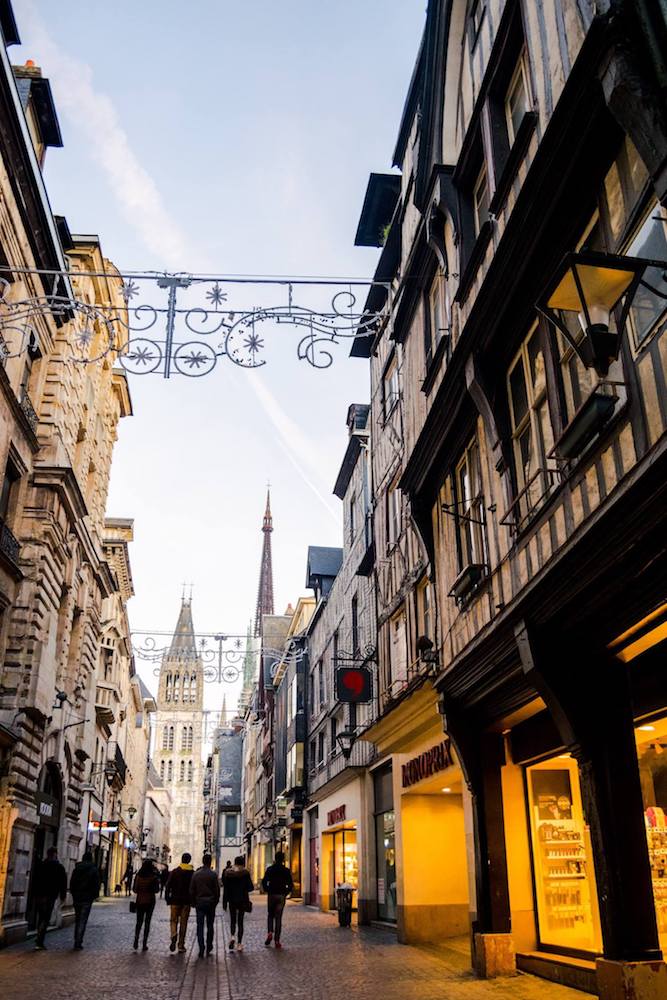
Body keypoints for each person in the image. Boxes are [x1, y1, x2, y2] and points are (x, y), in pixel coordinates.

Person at [32, 846, 67, 949]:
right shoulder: (59, 867)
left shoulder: (41, 865)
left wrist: (34, 894)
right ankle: (39, 941)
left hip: (40, 895)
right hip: (51, 896)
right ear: (55, 854)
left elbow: (35, 879)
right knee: (45, 918)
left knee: (41, 917)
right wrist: (63, 896)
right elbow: (63, 883)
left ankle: (39, 937)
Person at [190, 853, 220, 958]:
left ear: (203, 861)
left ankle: (201, 947)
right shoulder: (213, 875)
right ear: (210, 862)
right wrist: (215, 902)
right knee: (210, 925)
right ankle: (209, 945)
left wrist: (194, 902)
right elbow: (217, 891)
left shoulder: (196, 874)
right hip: (210, 903)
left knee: (200, 926)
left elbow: (192, 890)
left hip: (200, 903)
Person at [261, 852, 293, 949]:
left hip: (272, 895)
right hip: (281, 895)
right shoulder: (286, 870)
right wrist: (286, 892)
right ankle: (277, 940)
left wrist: (268, 890)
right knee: (278, 918)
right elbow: (290, 884)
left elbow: (264, 881)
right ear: (283, 859)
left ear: (275, 858)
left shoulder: (270, 869)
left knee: (270, 915)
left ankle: (270, 932)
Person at [69, 850, 100, 950]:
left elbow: (72, 882)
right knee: (82, 920)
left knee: (78, 919)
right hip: (87, 898)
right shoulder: (93, 869)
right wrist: (94, 895)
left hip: (77, 897)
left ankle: (76, 940)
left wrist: (73, 893)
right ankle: (78, 942)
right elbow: (96, 884)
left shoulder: (77, 868)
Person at [222, 855, 253, 952]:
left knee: (232, 920)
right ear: (243, 863)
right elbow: (250, 887)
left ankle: (232, 937)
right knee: (240, 922)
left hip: (232, 900)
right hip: (242, 900)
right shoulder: (245, 873)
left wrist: (225, 901)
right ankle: (239, 943)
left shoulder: (228, 873)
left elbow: (225, 888)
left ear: (234, 863)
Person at [165, 852, 194, 953]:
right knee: (183, 923)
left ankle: (173, 934)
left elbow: (168, 885)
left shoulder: (175, 871)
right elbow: (194, 888)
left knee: (173, 920)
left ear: (181, 859)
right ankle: (181, 945)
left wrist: (167, 898)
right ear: (189, 860)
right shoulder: (192, 873)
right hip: (186, 902)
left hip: (175, 900)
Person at [132, 858, 161, 951]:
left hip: (140, 901)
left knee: (139, 922)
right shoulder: (153, 877)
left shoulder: (138, 876)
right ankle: (144, 943)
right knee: (147, 922)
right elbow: (157, 890)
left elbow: (135, 889)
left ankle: (136, 940)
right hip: (150, 901)